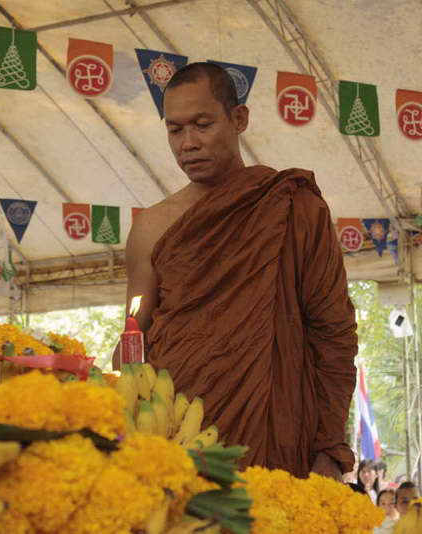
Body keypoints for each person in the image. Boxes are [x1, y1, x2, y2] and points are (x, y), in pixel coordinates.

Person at [124, 62, 358, 479]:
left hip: (276, 432)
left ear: (239, 119)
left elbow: (333, 331)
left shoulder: (292, 207)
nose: (188, 143)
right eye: (175, 130)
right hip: (177, 439)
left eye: (202, 124)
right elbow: (133, 334)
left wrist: (330, 446)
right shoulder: (151, 227)